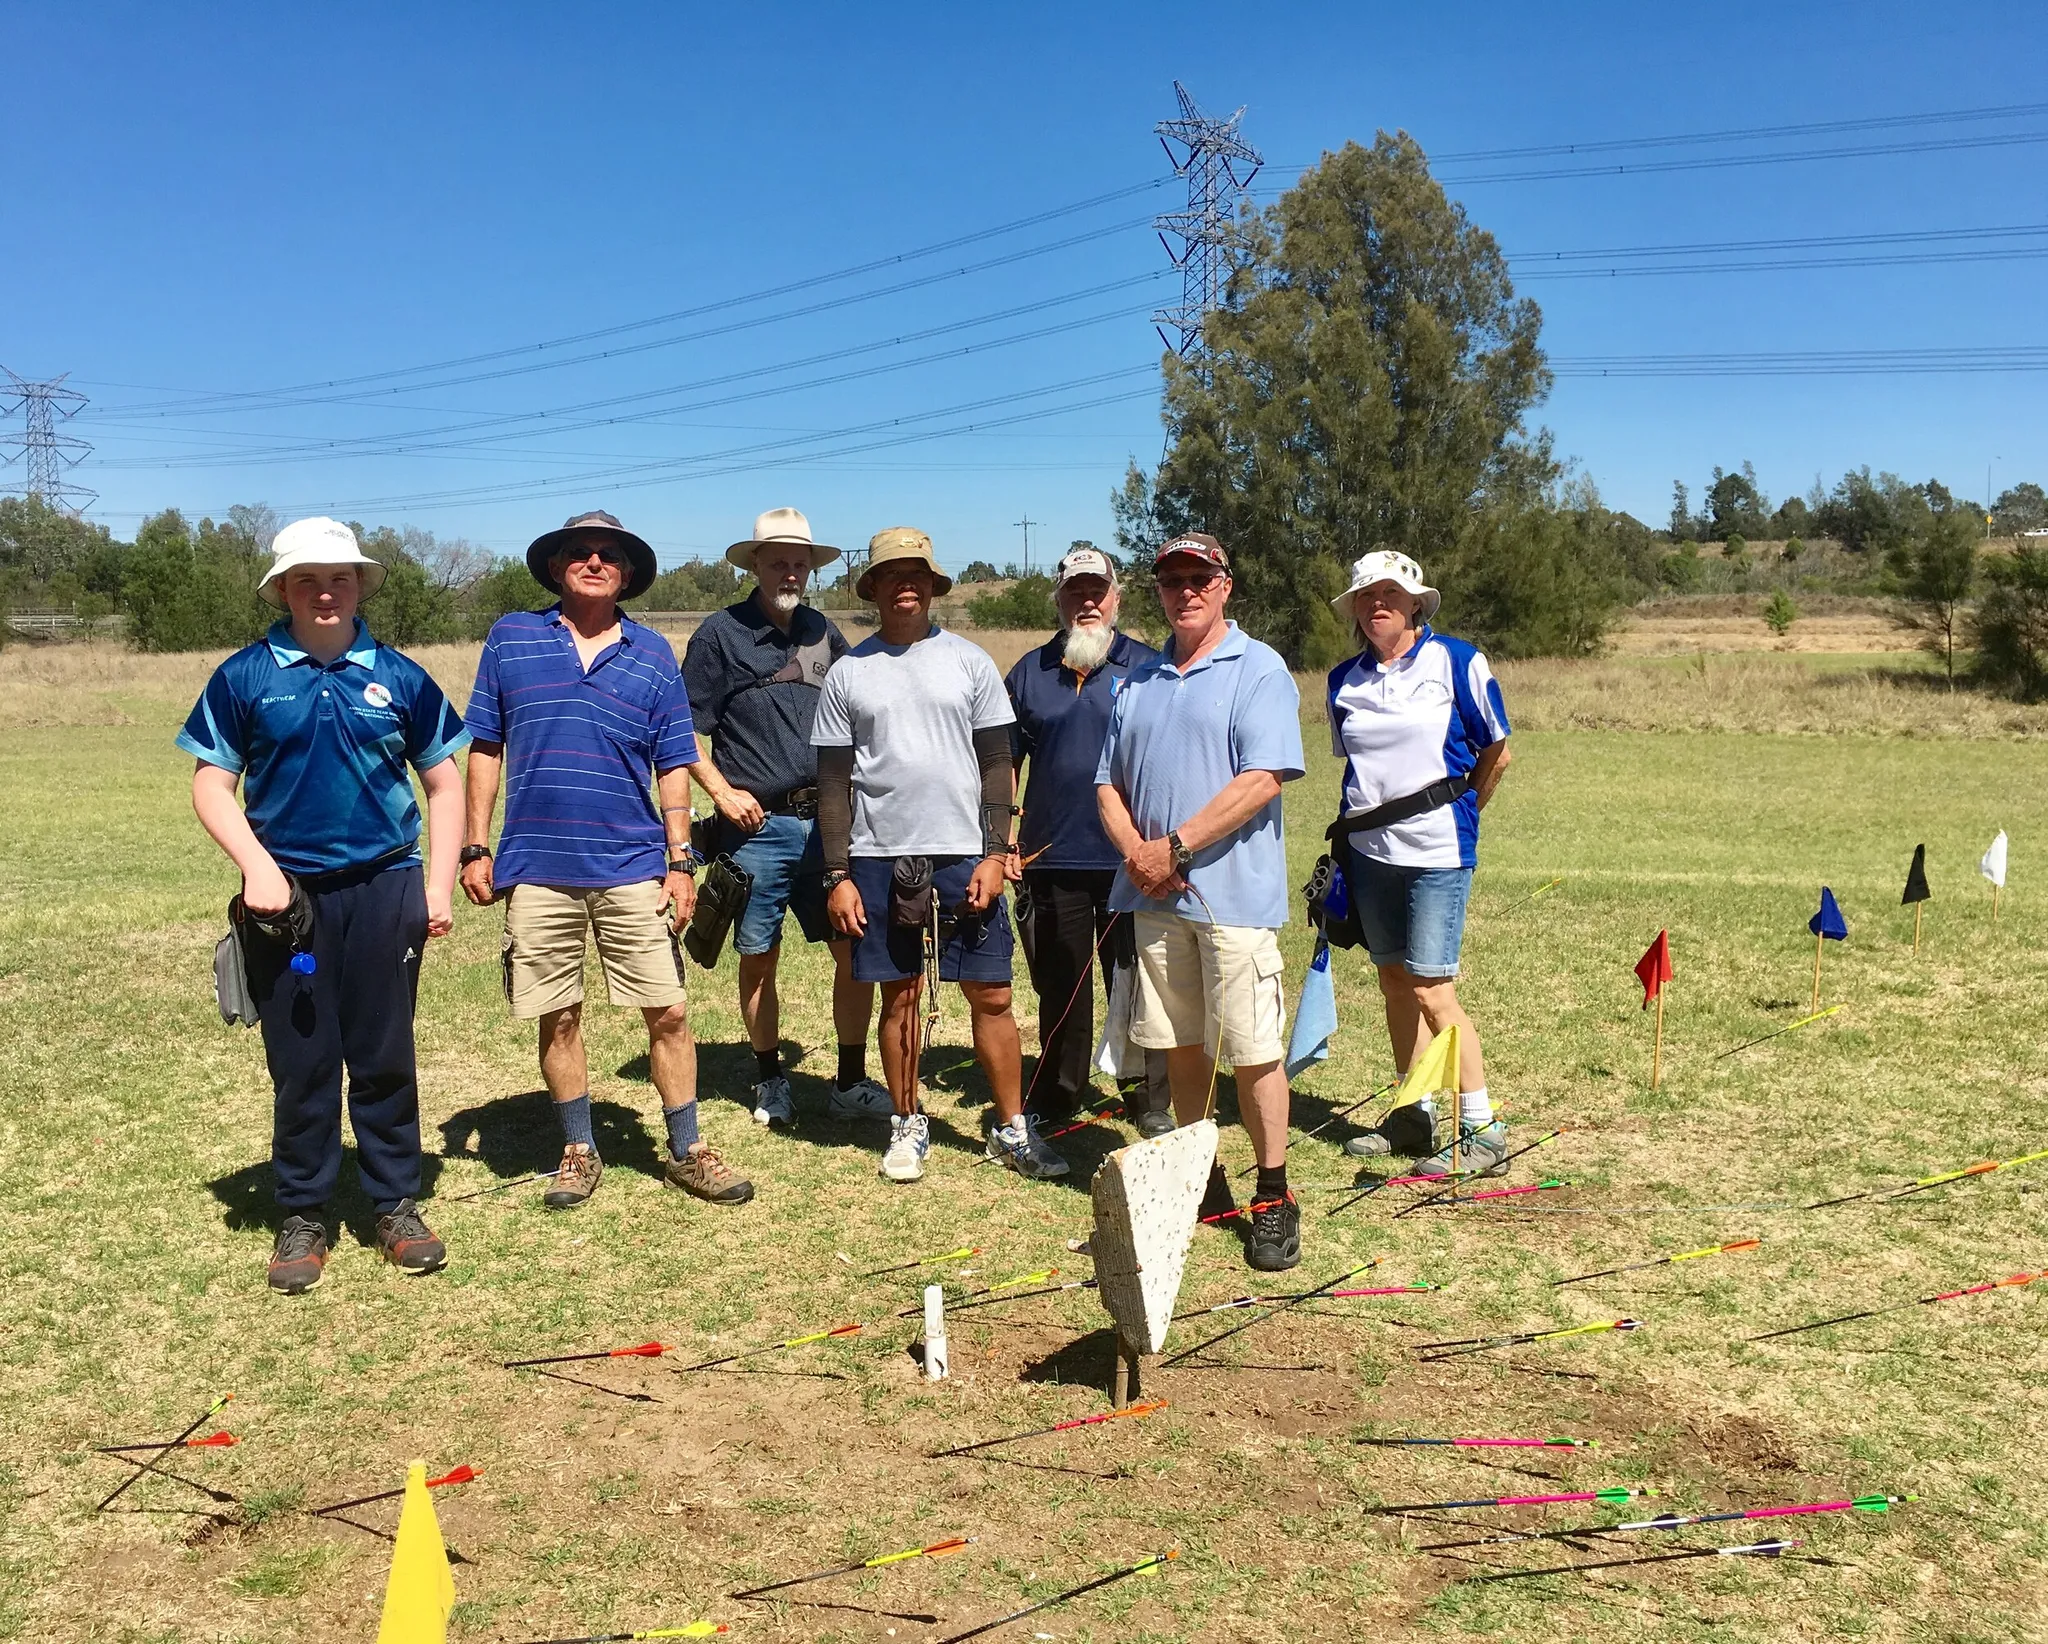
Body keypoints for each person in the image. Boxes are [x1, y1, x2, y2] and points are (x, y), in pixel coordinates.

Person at [179, 517, 469, 1294]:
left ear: (359, 586)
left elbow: (445, 782)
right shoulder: (245, 676)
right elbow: (212, 783)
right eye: (307, 579)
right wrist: (256, 867)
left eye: (339, 577)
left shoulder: (400, 676)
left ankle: (395, 1204)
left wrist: (436, 886)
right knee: (303, 1061)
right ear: (282, 590)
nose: (325, 591)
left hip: (385, 888)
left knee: (382, 1054)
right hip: (290, 901)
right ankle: (303, 1212)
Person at [460, 510, 753, 1210]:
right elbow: (485, 748)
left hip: (632, 864)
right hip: (536, 868)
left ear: (626, 573)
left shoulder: (652, 654)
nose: (594, 561)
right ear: (558, 564)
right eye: (580, 552)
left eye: (608, 555)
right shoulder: (511, 638)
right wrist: (475, 845)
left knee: (670, 1011)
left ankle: (688, 1148)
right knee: (557, 1014)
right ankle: (577, 1148)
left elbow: (675, 761)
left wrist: (680, 862)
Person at [811, 527, 1069, 1184]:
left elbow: (997, 763)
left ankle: (1012, 1128)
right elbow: (835, 783)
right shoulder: (848, 673)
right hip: (876, 858)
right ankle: (906, 1123)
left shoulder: (971, 662)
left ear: (932, 584)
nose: (906, 584)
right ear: (872, 588)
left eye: (917, 573)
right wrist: (837, 875)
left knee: (992, 995)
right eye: (892, 574)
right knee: (899, 997)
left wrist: (994, 851)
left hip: (963, 854)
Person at [1095, 532, 1307, 1272]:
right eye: (1171, 579)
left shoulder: (1259, 669)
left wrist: (1175, 847)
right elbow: (1106, 786)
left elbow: (1264, 779)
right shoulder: (1140, 679)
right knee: (1180, 1046)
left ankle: (1273, 1194)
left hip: (1234, 902)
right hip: (1154, 899)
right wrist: (1137, 853)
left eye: (1199, 577)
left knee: (1251, 1051)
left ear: (1225, 585)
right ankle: (1202, 1175)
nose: (1184, 589)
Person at [681, 508, 890, 1128]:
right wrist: (720, 792)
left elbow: (863, 715)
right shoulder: (720, 635)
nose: (790, 573)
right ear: (755, 566)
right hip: (758, 827)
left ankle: (849, 1082)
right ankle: (771, 1078)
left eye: (800, 563)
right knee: (758, 953)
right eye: (778, 561)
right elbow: (682, 729)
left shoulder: (826, 633)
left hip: (832, 826)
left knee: (853, 947)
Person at [1325, 550, 1513, 1174]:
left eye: (1390, 595)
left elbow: (1497, 752)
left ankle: (1483, 1128)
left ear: (1414, 603)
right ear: (1355, 608)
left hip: (1437, 853)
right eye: (1366, 596)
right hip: (1369, 855)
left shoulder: (1457, 660)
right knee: (1393, 982)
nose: (1377, 604)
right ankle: (1415, 1112)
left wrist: (1465, 817)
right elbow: (1355, 767)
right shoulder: (1341, 680)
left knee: (1434, 988)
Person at [1004, 547, 1172, 1137]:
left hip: (1135, 860)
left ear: (1117, 597)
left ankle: (1146, 1096)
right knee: (1061, 986)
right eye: (1076, 591)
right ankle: (1058, 1089)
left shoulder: (1151, 667)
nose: (1088, 602)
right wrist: (1003, 840)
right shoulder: (1029, 672)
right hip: (1052, 858)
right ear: (1060, 599)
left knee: (1137, 982)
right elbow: (1004, 763)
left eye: (1098, 590)